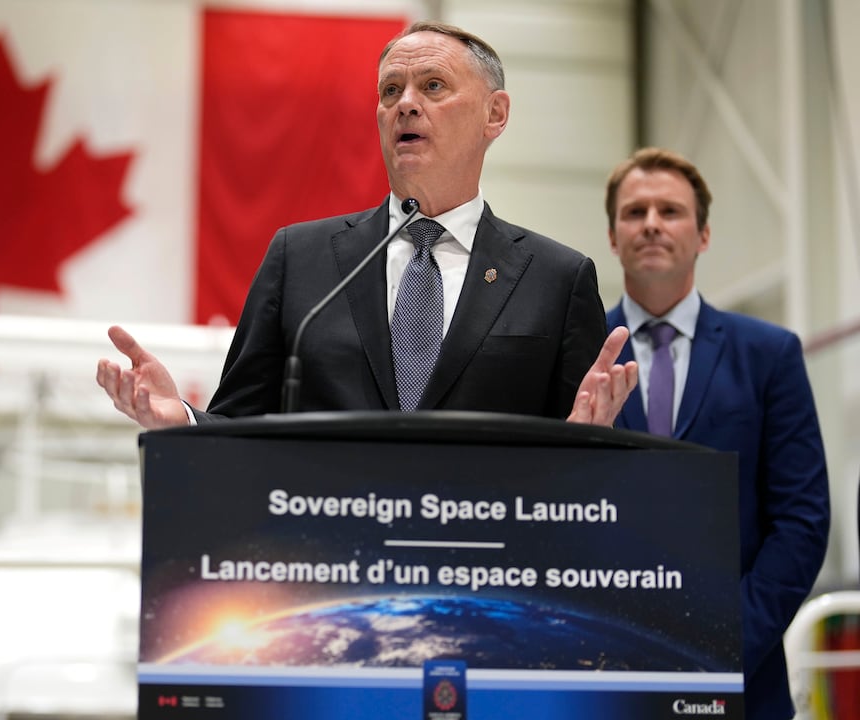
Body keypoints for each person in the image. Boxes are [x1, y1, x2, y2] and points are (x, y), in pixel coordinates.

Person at [97, 21, 635, 427]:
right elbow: (241, 425)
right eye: (390, 90)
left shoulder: (556, 278)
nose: (406, 105)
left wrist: (587, 445)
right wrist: (183, 421)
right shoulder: (299, 258)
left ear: (494, 114)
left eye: (433, 86)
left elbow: (582, 454)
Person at [603, 147, 829, 720]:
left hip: (743, 678)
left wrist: (727, 644)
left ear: (703, 235)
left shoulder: (769, 356)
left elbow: (801, 521)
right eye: (634, 212)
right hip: (601, 668)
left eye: (670, 211)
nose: (651, 223)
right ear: (611, 237)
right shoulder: (576, 351)